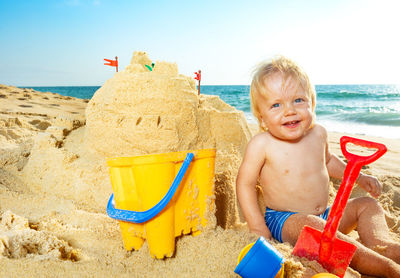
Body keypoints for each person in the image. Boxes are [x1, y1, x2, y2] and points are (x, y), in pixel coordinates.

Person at [236, 56, 400, 277]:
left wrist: (360, 178)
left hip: (327, 217)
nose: (289, 111)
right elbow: (245, 184)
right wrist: (257, 227)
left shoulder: (318, 133)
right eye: (276, 105)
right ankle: (385, 268)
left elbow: (329, 162)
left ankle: (381, 245)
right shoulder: (262, 144)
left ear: (312, 103)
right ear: (262, 118)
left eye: (298, 100)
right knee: (312, 224)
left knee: (366, 204)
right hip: (286, 220)